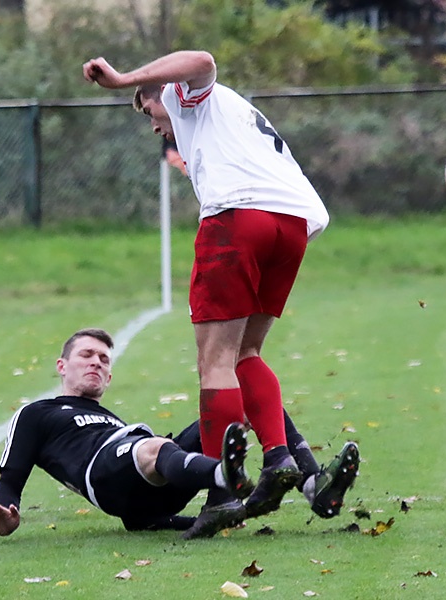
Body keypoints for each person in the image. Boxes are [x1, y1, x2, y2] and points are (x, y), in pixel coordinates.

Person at [82, 50, 330, 536]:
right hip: (292, 227)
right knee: (246, 353)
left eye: (147, 109)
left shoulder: (186, 96)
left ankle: (221, 493)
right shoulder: (229, 117)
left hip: (238, 219)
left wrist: (122, 79)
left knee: (213, 362)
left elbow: (202, 59)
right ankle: (280, 458)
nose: (154, 124)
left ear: (163, 94)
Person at [0, 328, 359, 541]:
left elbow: (139, 517)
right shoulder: (38, 413)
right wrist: (6, 511)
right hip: (106, 474)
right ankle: (224, 478)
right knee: (151, 447)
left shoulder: (110, 419)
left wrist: (183, 522)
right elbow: (11, 477)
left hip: (148, 495)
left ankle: (313, 484)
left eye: (104, 360)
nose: (96, 362)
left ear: (109, 378)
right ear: (62, 366)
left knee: (247, 402)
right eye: (87, 355)